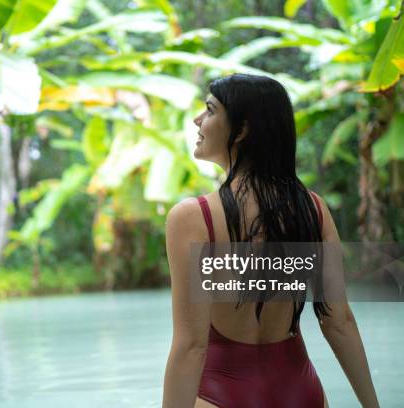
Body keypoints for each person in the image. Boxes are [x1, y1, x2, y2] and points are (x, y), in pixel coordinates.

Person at [161, 73, 380, 408]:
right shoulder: (312, 209)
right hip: (301, 392)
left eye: (209, 110)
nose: (197, 119)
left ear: (243, 129)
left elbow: (191, 346)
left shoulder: (193, 218)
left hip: (221, 394)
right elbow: (339, 321)